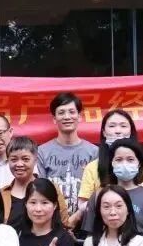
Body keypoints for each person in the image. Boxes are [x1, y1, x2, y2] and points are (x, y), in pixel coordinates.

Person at [38, 92, 98, 230]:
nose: (67, 117)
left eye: (71, 112)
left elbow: (97, 191)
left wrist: (76, 217)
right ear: (54, 119)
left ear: (79, 116)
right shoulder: (42, 151)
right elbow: (40, 190)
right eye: (61, 113)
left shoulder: (94, 152)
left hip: (87, 225)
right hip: (52, 224)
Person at [77, 109, 143, 209]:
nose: (118, 131)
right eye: (112, 126)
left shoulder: (142, 163)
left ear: (130, 132)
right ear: (104, 132)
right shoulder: (92, 167)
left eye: (123, 126)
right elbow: (82, 205)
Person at [0, 136, 68, 231]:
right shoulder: (1, 194)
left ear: (35, 160)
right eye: (14, 159)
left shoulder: (51, 189)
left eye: (25, 159)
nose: (19, 164)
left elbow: (64, 224)